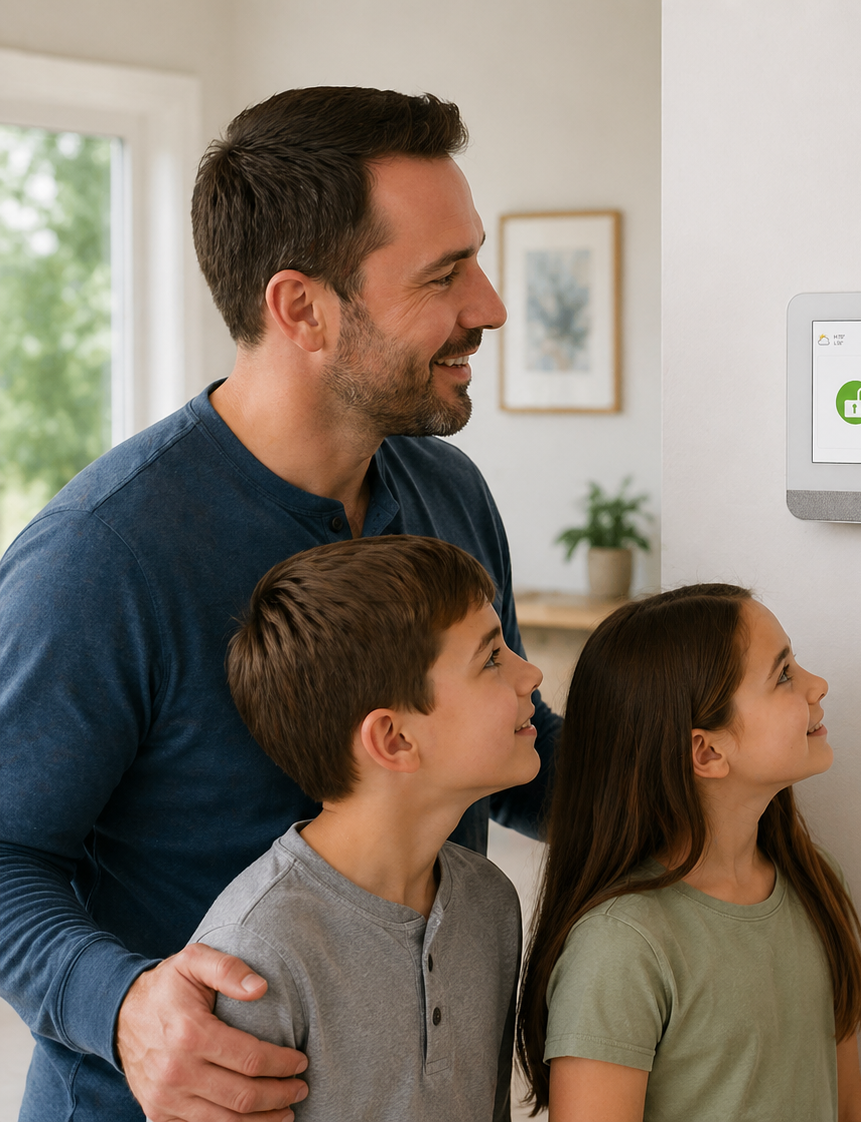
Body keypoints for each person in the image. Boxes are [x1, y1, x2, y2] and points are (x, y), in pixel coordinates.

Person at [0, 87, 560, 1122]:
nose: (488, 306)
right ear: (301, 307)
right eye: (445, 274)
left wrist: (700, 798)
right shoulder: (101, 558)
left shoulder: (447, 493)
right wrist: (123, 1006)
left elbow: (505, 744)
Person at [194, 535, 541, 1121]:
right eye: (490, 658)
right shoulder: (256, 955)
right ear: (395, 740)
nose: (529, 674)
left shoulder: (490, 901)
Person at [517, 584, 861, 1122]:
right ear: (706, 750)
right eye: (783, 674)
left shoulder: (816, 883)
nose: (817, 685)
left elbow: (848, 1105)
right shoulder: (620, 948)